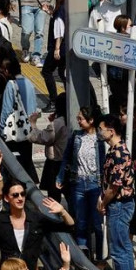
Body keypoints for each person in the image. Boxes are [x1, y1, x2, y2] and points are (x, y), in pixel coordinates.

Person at [56, 106, 104, 260]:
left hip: (95, 184)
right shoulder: (76, 137)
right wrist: (60, 177)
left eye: (81, 118)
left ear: (91, 121)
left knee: (97, 224)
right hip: (78, 183)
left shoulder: (101, 139)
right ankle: (83, 257)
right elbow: (66, 157)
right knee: (81, 222)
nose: (78, 121)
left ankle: (100, 256)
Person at [98, 113, 135, 270]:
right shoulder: (115, 150)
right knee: (124, 247)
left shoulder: (119, 153)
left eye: (101, 129)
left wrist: (103, 202)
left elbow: (115, 186)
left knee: (119, 249)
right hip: (118, 203)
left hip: (119, 205)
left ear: (110, 131)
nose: (99, 132)